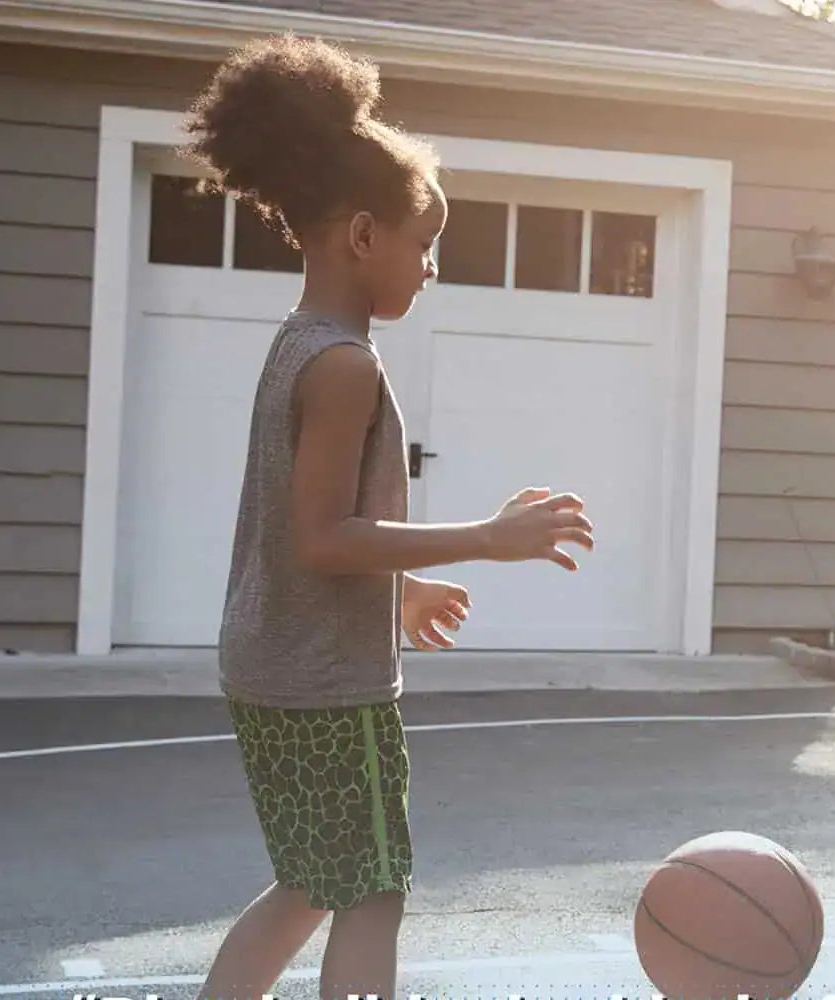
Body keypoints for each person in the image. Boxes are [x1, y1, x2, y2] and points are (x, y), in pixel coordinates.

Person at [182, 35, 595, 1000]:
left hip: (270, 663)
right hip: (328, 685)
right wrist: (489, 541)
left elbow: (318, 528)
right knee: (372, 890)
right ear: (362, 236)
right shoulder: (345, 365)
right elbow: (321, 539)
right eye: (425, 242)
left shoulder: (302, 346)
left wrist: (399, 587)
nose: (432, 266)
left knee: (309, 884)